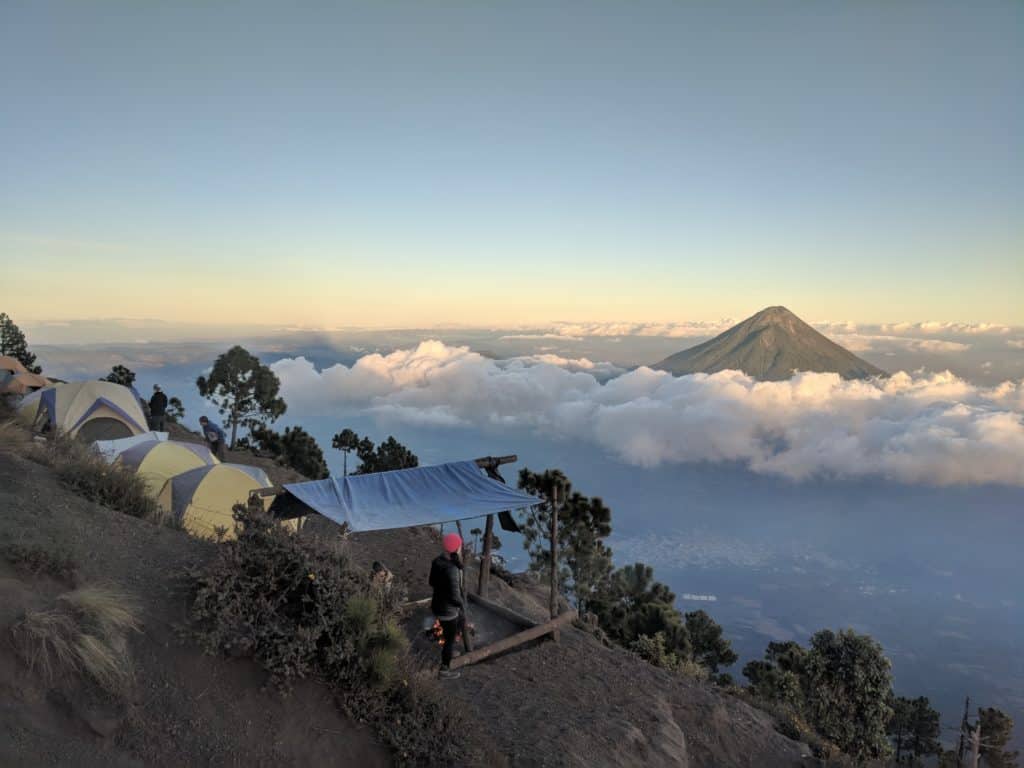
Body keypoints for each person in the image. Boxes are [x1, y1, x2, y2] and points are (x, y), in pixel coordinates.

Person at [428, 532, 464, 679]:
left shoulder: (437, 561)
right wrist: (463, 605)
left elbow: (431, 582)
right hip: (448, 611)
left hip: (436, 605)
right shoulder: (453, 570)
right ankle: (444, 669)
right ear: (457, 548)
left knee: (446, 631)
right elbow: (455, 597)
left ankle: (448, 651)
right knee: (450, 639)